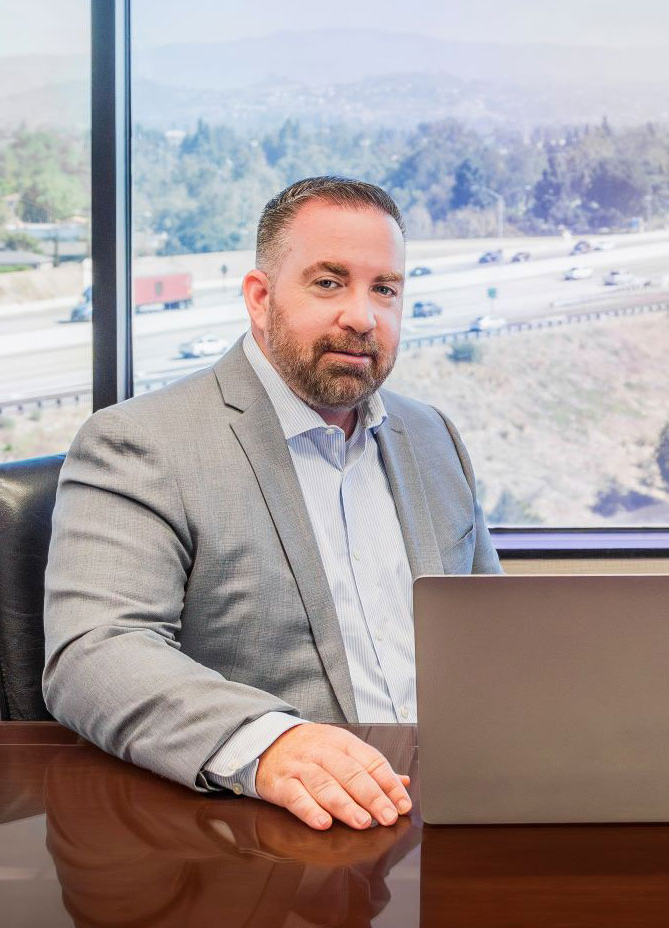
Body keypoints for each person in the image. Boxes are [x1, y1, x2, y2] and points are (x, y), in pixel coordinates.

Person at [43, 176, 499, 831]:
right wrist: (271, 744)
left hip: (455, 810)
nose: (362, 316)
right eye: (328, 282)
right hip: (273, 837)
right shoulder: (140, 444)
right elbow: (96, 655)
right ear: (260, 299)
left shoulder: (432, 437)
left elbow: (492, 635)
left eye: (385, 289)